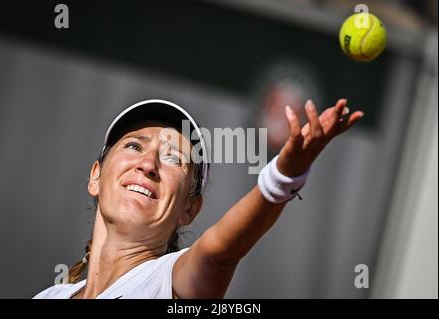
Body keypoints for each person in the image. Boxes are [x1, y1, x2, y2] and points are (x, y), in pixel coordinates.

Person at [33, 98, 363, 299]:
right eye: (134, 145)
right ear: (96, 176)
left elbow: (219, 254)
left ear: (189, 210)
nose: (148, 164)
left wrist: (285, 175)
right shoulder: (48, 296)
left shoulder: (170, 285)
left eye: (174, 158)